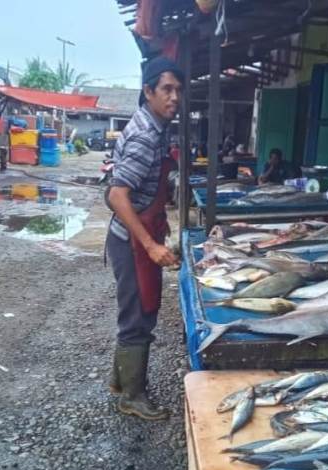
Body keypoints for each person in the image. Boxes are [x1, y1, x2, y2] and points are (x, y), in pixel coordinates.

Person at [105, 56, 183, 421]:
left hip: (137, 236)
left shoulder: (154, 125)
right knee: (138, 317)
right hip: (132, 242)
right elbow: (117, 195)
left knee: (136, 312)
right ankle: (132, 397)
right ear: (148, 91)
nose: (174, 98)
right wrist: (151, 245)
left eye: (178, 90)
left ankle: (121, 381)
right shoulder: (145, 135)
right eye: (166, 89)